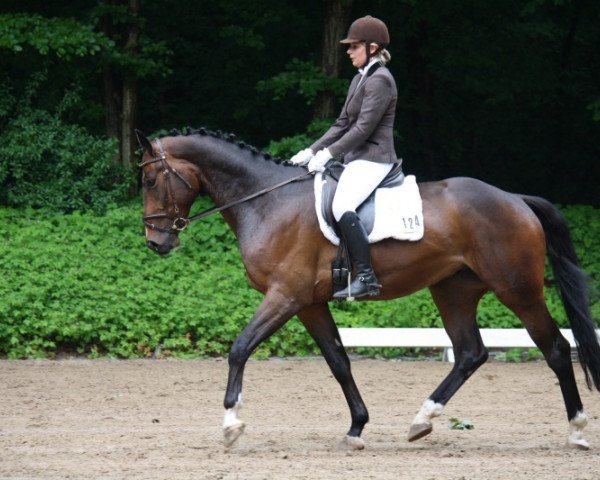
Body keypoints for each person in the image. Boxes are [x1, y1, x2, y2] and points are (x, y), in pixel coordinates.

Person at [290, 15, 401, 299]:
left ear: (373, 47)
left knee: (341, 205)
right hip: (356, 157)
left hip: (375, 158)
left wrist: (329, 154)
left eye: (354, 46)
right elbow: (342, 124)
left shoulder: (381, 81)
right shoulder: (358, 79)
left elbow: (363, 129)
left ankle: (367, 276)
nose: (349, 51)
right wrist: (312, 149)